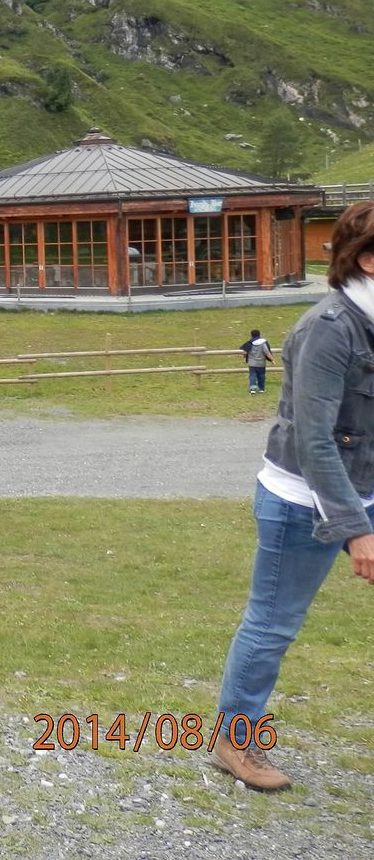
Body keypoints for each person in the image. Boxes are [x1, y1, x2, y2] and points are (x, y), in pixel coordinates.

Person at [213, 201, 374, 792]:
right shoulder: (325, 331)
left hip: (364, 489)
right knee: (274, 624)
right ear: (367, 260)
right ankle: (236, 741)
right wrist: (357, 529)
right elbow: (314, 440)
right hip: (303, 502)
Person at [239, 328, 275, 394]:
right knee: (261, 375)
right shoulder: (263, 343)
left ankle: (252, 389)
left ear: (251, 335)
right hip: (261, 363)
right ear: (259, 334)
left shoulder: (249, 343)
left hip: (252, 363)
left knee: (252, 375)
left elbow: (244, 352)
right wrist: (272, 360)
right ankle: (261, 389)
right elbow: (267, 353)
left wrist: (244, 357)